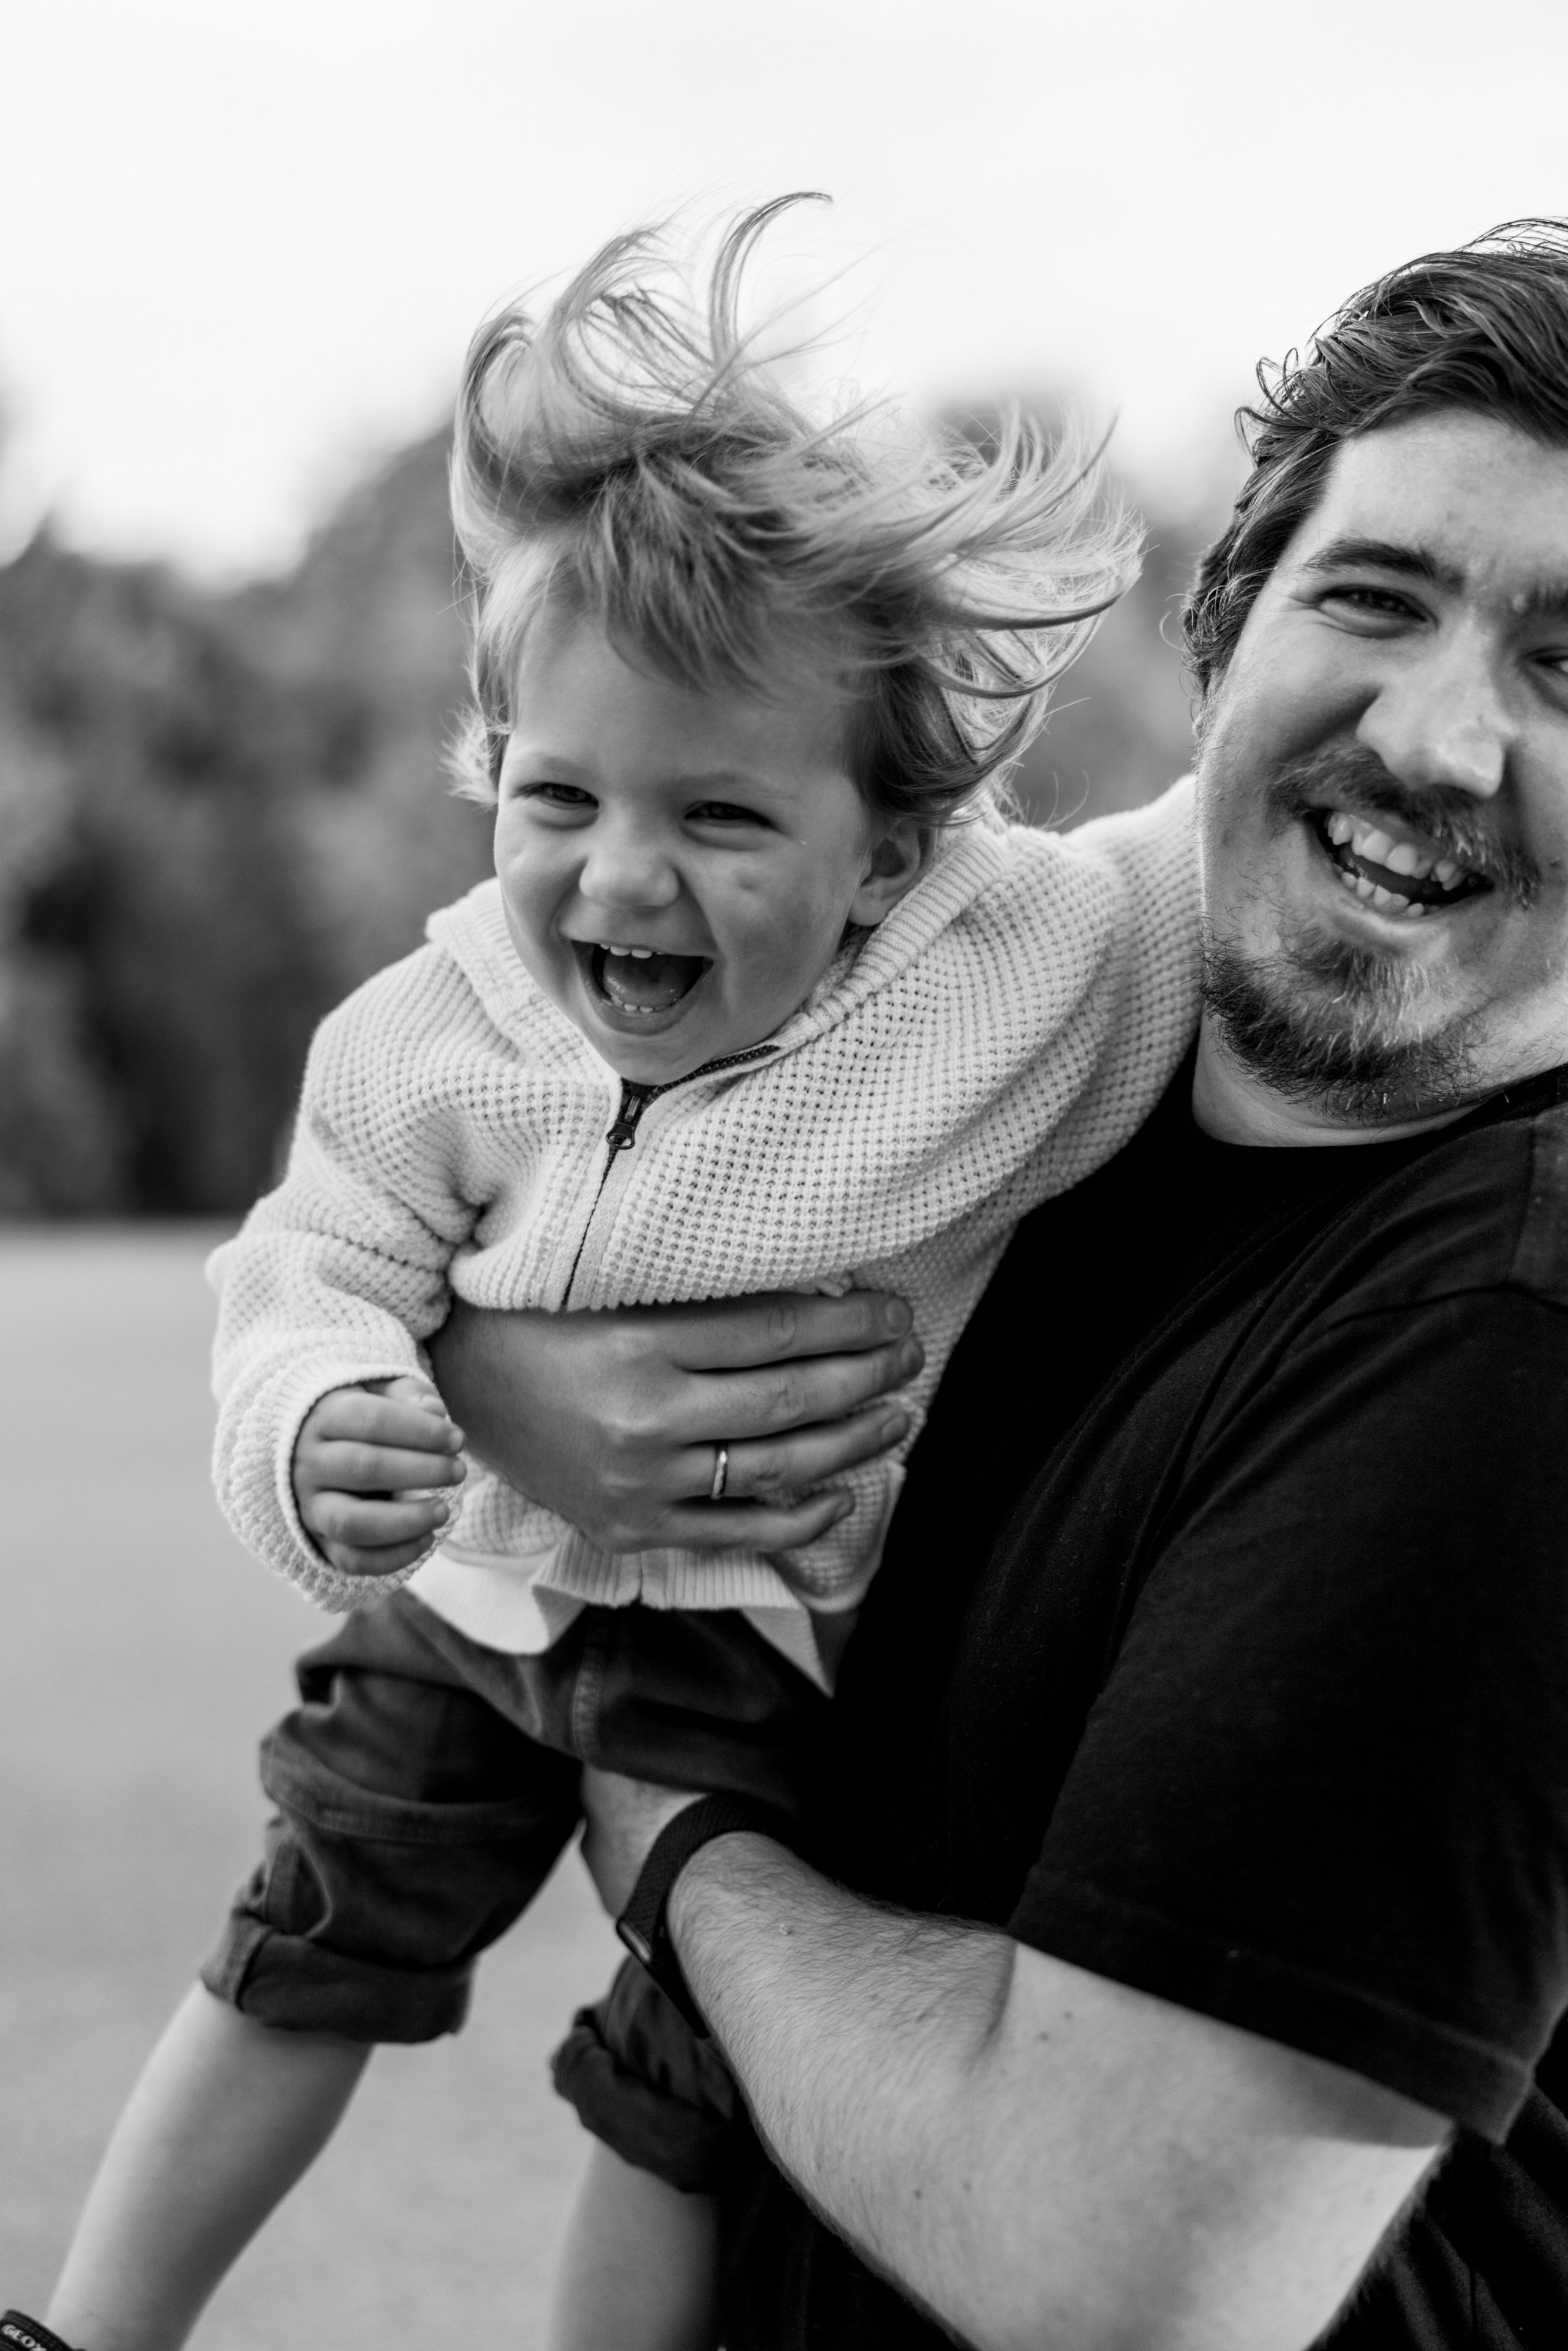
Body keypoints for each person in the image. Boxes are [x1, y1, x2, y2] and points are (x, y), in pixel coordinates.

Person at [12, 204, 1205, 2351]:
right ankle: (85, 2330)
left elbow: (1228, 855)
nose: (618, 875)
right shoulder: (430, 1035)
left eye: (723, 819)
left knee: (694, 2087)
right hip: (477, 1598)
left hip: (777, 1648)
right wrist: (316, 1424)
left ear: (893, 851)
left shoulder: (1027, 973)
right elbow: (306, 1269)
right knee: (309, 1933)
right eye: (556, 796)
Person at [391, 218, 1568, 2351]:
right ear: (1232, 634)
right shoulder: (1051, 1088)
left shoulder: (1504, 1329)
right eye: (1372, 598)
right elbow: (567, 1154)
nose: (1437, 736)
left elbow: (1122, 2278)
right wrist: (491, 1367)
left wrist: (678, 1845)